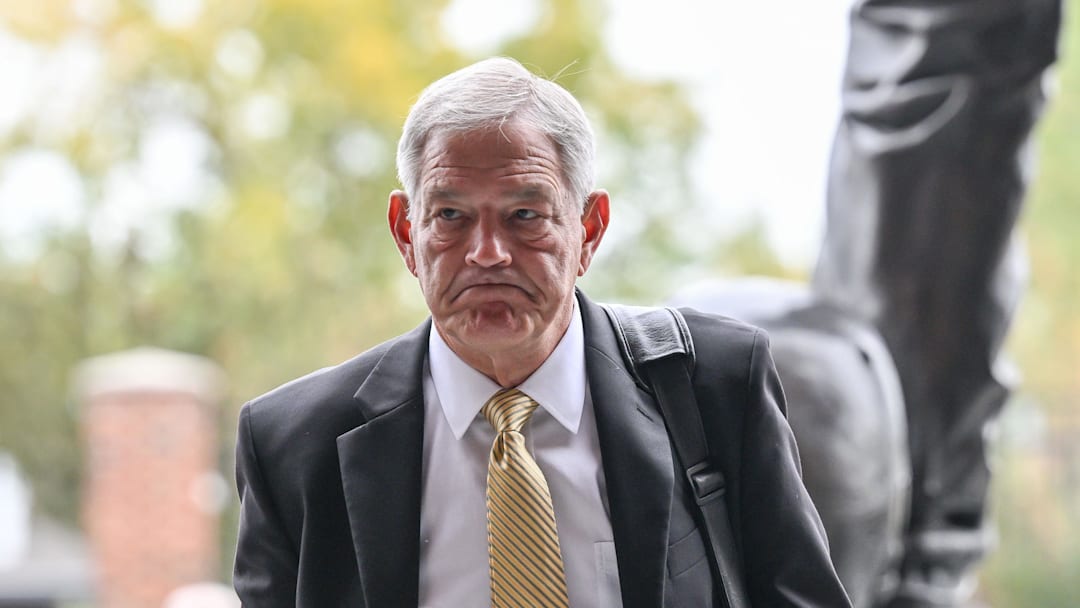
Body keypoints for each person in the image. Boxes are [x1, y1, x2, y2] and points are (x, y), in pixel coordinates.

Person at [232, 57, 851, 607]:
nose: (488, 253)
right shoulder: (294, 444)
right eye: (450, 216)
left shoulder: (713, 387)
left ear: (590, 228)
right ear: (405, 233)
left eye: (525, 215)